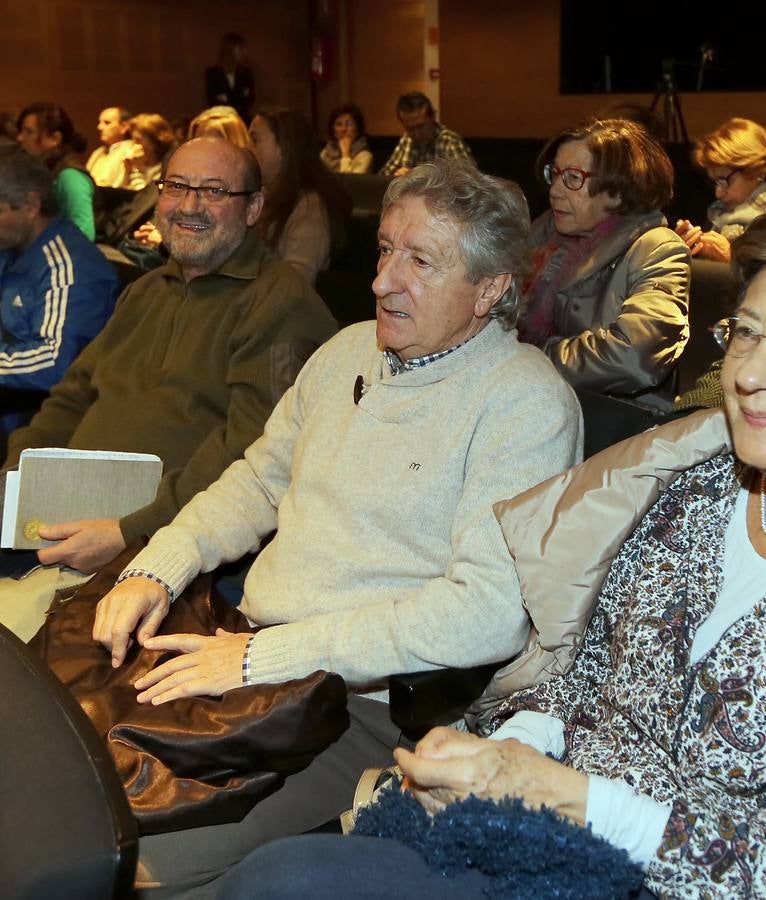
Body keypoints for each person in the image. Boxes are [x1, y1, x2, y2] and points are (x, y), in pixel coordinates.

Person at [219, 202, 766, 898]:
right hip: (541, 830)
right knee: (278, 875)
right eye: (747, 335)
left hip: (666, 876)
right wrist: (509, 751)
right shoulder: (699, 494)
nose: (752, 374)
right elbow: (581, 680)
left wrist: (568, 797)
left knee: (284, 881)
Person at [91, 159, 582, 896]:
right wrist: (157, 566)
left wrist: (264, 658)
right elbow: (260, 479)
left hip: (355, 707)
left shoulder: (524, 406)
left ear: (491, 290)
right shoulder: (349, 350)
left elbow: (486, 616)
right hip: (243, 647)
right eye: (385, 249)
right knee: (61, 784)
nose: (383, 279)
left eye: (420, 261)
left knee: (135, 859)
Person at [0, 136, 335, 641]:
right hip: (63, 517)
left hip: (162, 553)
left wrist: (126, 530)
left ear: (254, 209)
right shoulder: (147, 290)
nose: (190, 206)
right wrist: (15, 479)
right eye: (176, 186)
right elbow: (72, 398)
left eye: (214, 191)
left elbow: (249, 458)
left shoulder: (279, 303)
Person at [520, 117, 689, 410]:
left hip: (609, 419)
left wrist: (527, 357)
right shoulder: (546, 231)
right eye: (555, 174)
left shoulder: (657, 247)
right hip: (535, 402)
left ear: (618, 190)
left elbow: (634, 357)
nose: (555, 191)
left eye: (573, 178)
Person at [0, 147, 117, 434]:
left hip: (32, 418)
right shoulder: (11, 247)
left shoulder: (70, 267)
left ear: (30, 205)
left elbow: (55, 361)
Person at [129, 107, 252, 261]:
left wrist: (165, 242)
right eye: (196, 140)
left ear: (233, 142)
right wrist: (157, 232)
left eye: (211, 141)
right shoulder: (185, 178)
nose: (199, 149)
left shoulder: (243, 188)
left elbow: (215, 250)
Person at [248, 107, 351, 284]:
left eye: (255, 140)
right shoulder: (262, 197)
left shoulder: (309, 208)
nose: (247, 148)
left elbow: (295, 283)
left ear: (284, 147)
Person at [674, 117, 766, 262]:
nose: (718, 193)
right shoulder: (718, 215)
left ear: (757, 170)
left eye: (724, 181)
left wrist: (729, 259)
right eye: (715, 182)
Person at [16, 102, 94, 240]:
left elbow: (84, 235)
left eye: (29, 132)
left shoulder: (70, 177)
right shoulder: (44, 171)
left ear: (54, 139)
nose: (20, 138)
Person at [378, 92, 473, 177]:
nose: (417, 134)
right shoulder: (407, 139)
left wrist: (417, 178)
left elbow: (469, 183)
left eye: (421, 126)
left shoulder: (449, 140)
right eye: (410, 129)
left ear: (433, 117)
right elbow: (382, 176)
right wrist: (396, 177)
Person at [204, 32, 255, 122]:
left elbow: (249, 99)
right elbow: (213, 101)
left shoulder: (246, 73)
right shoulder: (213, 73)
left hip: (242, 121)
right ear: (229, 50)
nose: (244, 53)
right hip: (221, 121)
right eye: (240, 49)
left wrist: (229, 99)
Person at [122, 113, 177, 190]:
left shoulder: (168, 168)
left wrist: (135, 170)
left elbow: (144, 197)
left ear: (154, 141)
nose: (134, 145)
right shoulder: (140, 162)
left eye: (138, 140)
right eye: (133, 139)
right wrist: (128, 171)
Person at [85, 106, 136, 188]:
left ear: (124, 126)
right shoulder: (98, 152)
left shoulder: (131, 150)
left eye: (107, 123)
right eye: (99, 122)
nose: (100, 127)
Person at [320, 104, 373, 174]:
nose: (343, 129)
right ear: (333, 130)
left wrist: (345, 155)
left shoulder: (365, 155)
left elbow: (348, 182)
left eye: (349, 124)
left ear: (357, 129)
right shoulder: (326, 153)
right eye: (339, 124)